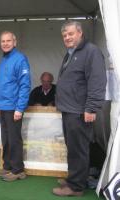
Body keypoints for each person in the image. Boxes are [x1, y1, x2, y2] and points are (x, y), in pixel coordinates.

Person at [53, 21, 106, 196]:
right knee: (73, 147)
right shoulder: (71, 54)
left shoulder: (91, 52)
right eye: (64, 35)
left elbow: (97, 82)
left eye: (70, 33)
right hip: (69, 109)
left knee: (79, 149)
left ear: (80, 33)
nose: (67, 37)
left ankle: (76, 187)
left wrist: (91, 108)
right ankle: (73, 178)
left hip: (80, 111)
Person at [0, 31, 31, 181]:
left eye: (8, 41)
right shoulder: (4, 60)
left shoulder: (20, 59)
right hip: (3, 106)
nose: (5, 43)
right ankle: (8, 166)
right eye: (3, 41)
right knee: (6, 139)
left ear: (14, 42)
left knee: (14, 139)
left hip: (13, 107)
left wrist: (19, 108)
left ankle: (18, 170)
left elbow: (25, 85)